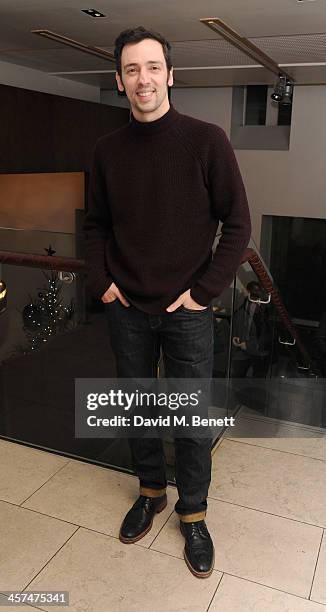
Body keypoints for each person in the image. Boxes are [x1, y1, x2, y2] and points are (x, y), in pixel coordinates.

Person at [83, 26, 251, 578]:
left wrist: (203, 292)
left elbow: (238, 225)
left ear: (171, 75)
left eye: (153, 67)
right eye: (132, 70)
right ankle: (150, 491)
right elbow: (96, 225)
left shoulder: (206, 141)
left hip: (187, 312)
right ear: (119, 80)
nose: (143, 79)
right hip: (126, 306)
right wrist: (103, 282)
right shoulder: (106, 151)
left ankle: (194, 514)